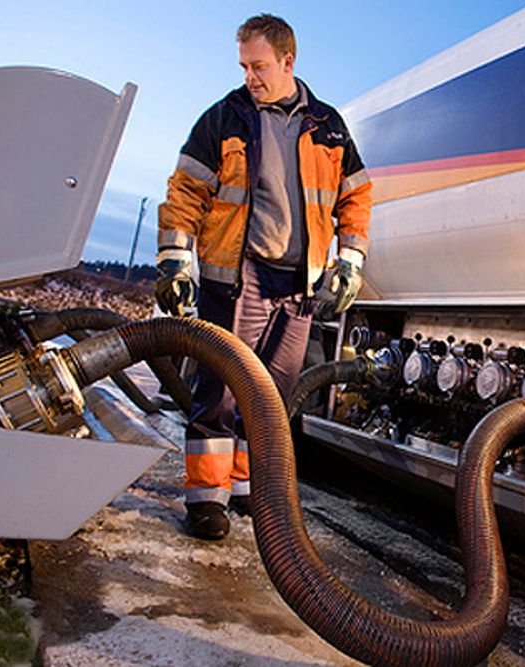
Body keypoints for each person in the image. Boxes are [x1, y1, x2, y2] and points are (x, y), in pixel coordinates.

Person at [156, 14, 372, 541]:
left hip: (298, 285)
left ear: (287, 62)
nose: (249, 76)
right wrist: (175, 261)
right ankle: (207, 498)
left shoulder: (327, 127)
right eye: (244, 66)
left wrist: (351, 261)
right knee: (223, 390)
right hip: (239, 277)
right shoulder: (224, 119)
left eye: (258, 66)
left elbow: (356, 196)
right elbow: (185, 193)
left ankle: (248, 486)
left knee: (273, 395)